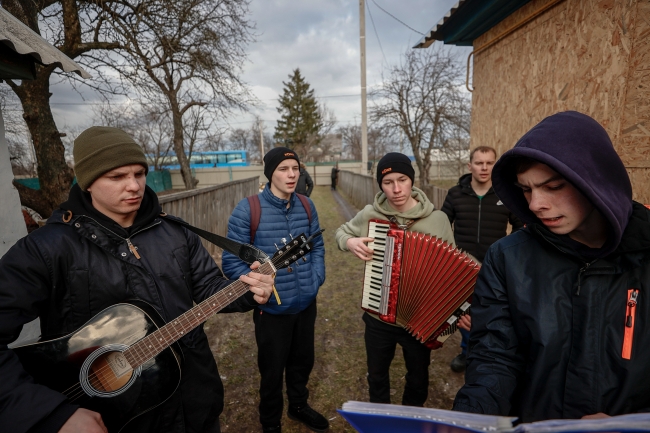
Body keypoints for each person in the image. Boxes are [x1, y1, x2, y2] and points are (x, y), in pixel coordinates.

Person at [0, 126, 274, 433]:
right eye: (117, 177)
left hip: (195, 401)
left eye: (139, 173)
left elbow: (211, 288)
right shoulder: (46, 249)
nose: (134, 186)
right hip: (115, 418)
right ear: (88, 182)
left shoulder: (177, 232)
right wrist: (51, 413)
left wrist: (250, 290)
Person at [453, 111, 650, 421]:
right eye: (526, 189)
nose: (534, 205)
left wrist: (634, 425)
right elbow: (494, 355)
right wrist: (472, 419)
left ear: (596, 179)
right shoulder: (507, 258)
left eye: (554, 186)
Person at [335, 152, 454, 407]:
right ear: (380, 184)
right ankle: (381, 419)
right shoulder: (370, 214)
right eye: (388, 182)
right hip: (379, 318)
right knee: (377, 376)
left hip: (418, 319)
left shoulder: (437, 220)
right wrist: (350, 241)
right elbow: (341, 232)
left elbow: (452, 271)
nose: (397, 189)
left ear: (413, 181)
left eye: (402, 180)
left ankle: (411, 418)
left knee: (418, 377)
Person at [222, 147, 327, 433]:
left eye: (295, 168)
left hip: (306, 304)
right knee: (271, 372)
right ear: (270, 173)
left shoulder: (306, 205)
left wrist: (316, 278)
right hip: (271, 311)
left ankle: (298, 406)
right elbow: (231, 262)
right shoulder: (249, 209)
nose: (292, 174)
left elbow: (317, 244)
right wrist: (259, 288)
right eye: (283, 169)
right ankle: (270, 423)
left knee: (302, 362)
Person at [441, 146, 523, 372]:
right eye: (479, 163)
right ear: (470, 166)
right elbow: (442, 226)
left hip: (493, 267)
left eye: (489, 163)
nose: (484, 167)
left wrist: (507, 253)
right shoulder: (455, 194)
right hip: (460, 266)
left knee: (490, 312)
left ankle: (488, 353)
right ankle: (468, 351)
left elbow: (519, 227)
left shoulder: (505, 194)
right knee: (464, 313)